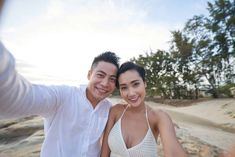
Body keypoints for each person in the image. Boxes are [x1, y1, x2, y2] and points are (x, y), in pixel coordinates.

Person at [0, 42, 120, 156]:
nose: (105, 83)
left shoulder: (108, 108)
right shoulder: (63, 96)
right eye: (100, 75)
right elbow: (21, 99)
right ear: (89, 74)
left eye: (112, 79)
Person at [100, 61, 187, 157]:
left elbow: (173, 152)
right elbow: (104, 153)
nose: (131, 93)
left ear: (144, 83)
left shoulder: (158, 117)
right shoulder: (115, 111)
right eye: (124, 87)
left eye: (136, 84)